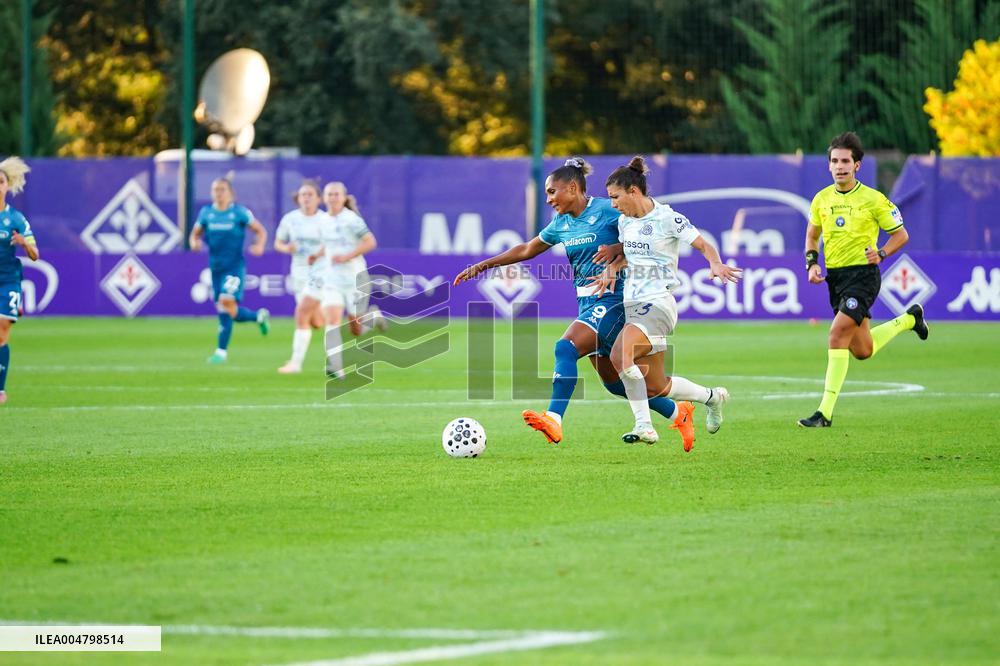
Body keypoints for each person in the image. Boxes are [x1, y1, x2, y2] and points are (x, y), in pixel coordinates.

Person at [453, 158, 694, 449]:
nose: (548, 199)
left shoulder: (608, 210)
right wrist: (483, 265)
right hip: (587, 304)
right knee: (616, 384)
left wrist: (618, 254)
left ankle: (554, 418)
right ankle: (678, 412)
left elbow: (645, 236)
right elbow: (528, 248)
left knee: (565, 347)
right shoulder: (561, 223)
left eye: (552, 192)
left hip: (615, 300)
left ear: (572, 188)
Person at [590, 156, 739, 445]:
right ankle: (712, 397)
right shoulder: (624, 222)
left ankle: (644, 425)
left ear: (634, 191)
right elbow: (631, 257)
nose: (613, 204)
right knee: (657, 386)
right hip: (633, 305)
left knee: (619, 355)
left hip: (657, 303)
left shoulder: (667, 218)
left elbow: (702, 243)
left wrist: (715, 263)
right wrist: (612, 269)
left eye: (615, 197)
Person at [798, 132, 928, 428]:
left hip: (863, 277)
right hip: (836, 279)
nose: (839, 166)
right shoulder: (821, 199)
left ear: (857, 165)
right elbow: (812, 236)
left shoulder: (873, 199)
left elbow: (901, 235)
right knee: (862, 350)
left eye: (845, 161)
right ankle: (910, 319)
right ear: (829, 165)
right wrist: (812, 264)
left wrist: (881, 253)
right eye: (834, 161)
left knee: (836, 334)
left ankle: (824, 413)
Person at [189, 177, 270, 363]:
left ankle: (221, 352)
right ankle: (258, 317)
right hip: (216, 269)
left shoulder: (239, 212)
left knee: (226, 301)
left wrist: (259, 245)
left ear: (230, 192)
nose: (218, 193)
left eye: (222, 189)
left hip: (234, 267)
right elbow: (195, 234)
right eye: (215, 189)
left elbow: (260, 231)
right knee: (228, 311)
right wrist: (194, 243)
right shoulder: (206, 213)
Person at [321, 182, 387, 378]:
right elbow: (326, 245)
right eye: (329, 194)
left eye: (336, 194)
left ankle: (374, 317)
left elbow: (370, 242)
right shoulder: (322, 220)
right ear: (324, 198)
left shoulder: (352, 219)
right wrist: (316, 255)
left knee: (356, 329)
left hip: (355, 278)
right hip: (332, 279)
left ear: (343, 198)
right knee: (332, 319)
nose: (333, 198)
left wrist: (346, 256)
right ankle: (335, 366)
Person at [274, 180, 332, 374]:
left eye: (310, 195)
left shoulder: (325, 220)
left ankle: (295, 363)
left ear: (318, 199)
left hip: (320, 271)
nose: (306, 198)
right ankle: (362, 320)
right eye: (302, 195)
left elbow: (334, 245)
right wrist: (287, 248)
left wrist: (319, 254)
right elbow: (278, 243)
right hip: (298, 274)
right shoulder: (290, 219)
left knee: (301, 313)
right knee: (316, 322)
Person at [0, 157, 39, 405]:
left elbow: (36, 255)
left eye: (0, 182)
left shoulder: (16, 219)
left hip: (7, 280)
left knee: (1, 330)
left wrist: (25, 243)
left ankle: (0, 390)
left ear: (7, 185)